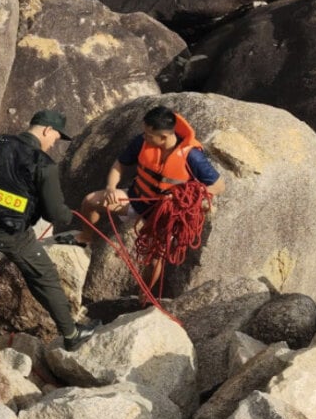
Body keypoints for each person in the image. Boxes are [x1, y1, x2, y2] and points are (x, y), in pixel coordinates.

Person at [0, 110, 99, 351]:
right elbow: (53, 214)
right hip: (13, 234)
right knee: (44, 278)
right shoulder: (45, 165)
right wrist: (71, 214)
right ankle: (72, 333)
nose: (54, 143)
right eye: (56, 137)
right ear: (46, 130)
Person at [69, 105, 226, 285]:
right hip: (137, 199)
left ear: (164, 137)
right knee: (91, 201)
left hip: (164, 214)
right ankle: (87, 238)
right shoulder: (142, 142)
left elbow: (218, 186)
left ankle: (144, 298)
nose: (144, 137)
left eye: (149, 135)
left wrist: (182, 196)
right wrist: (111, 187)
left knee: (154, 260)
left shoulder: (192, 157)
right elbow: (119, 165)